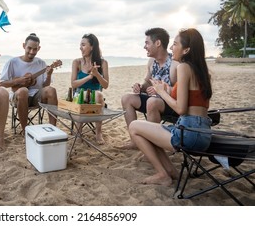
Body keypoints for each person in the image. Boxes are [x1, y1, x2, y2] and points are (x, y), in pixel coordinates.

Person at [129, 28, 213, 186]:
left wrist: (161, 92)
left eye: (175, 44)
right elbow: (194, 101)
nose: (171, 48)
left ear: (186, 49)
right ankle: (171, 172)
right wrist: (168, 89)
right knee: (151, 131)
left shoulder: (183, 67)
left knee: (134, 126)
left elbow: (181, 109)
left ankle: (162, 174)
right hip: (204, 133)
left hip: (189, 132)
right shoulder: (202, 71)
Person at [119, 27, 179, 149]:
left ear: (158, 43)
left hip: (170, 104)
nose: (144, 46)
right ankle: (135, 142)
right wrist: (140, 87)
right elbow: (147, 82)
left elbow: (180, 93)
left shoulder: (174, 65)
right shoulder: (152, 61)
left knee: (152, 102)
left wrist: (162, 90)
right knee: (126, 98)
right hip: (154, 100)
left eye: (147, 43)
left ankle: (152, 147)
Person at [0, 33, 58, 134]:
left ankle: (53, 129)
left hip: (36, 97)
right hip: (17, 97)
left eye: (35, 49)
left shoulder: (41, 63)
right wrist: (18, 81)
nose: (32, 52)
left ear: (39, 48)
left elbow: (45, 86)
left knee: (51, 90)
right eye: (29, 48)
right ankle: (25, 130)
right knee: (23, 91)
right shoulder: (12, 62)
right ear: (24, 46)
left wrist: (48, 75)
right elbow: (2, 83)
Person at [71, 33, 109, 145]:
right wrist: (89, 77)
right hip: (79, 95)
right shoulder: (77, 62)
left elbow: (105, 85)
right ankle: (79, 131)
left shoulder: (103, 63)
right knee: (82, 97)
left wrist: (97, 74)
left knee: (98, 95)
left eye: (83, 45)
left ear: (92, 47)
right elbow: (73, 84)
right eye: (80, 45)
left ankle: (98, 133)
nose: (80, 48)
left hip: (96, 98)